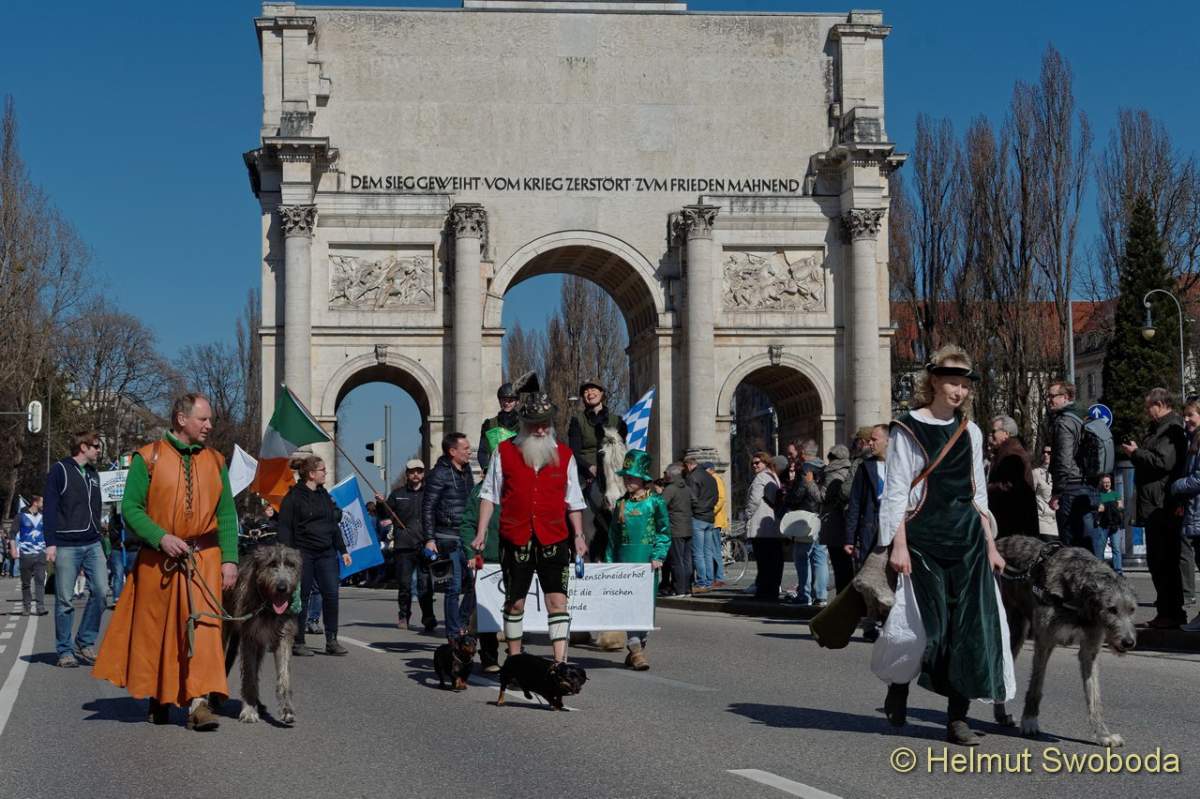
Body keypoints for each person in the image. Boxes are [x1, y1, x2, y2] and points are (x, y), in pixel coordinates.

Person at [877, 345, 1012, 746]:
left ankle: (957, 718)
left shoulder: (971, 431)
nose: (959, 391)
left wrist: (991, 545)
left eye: (964, 385)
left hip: (967, 542)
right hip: (923, 540)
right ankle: (899, 684)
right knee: (925, 629)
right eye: (952, 382)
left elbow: (977, 494)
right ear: (934, 381)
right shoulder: (907, 429)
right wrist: (898, 544)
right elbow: (897, 492)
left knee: (969, 631)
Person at [93, 394, 239, 730]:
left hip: (204, 560)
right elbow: (131, 509)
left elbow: (226, 514)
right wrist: (160, 537)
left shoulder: (216, 461)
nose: (209, 425)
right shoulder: (147, 458)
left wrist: (230, 559)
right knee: (159, 634)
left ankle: (199, 703)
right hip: (158, 562)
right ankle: (159, 696)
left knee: (203, 631)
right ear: (181, 419)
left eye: (210, 419)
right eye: (202, 419)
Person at [474, 392, 588, 663]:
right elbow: (489, 495)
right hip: (515, 536)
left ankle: (560, 663)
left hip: (554, 536)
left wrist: (579, 536)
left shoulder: (565, 455)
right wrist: (481, 532)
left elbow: (574, 500)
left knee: (557, 601)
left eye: (545, 424)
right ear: (524, 425)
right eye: (534, 424)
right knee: (515, 602)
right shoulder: (504, 452)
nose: (540, 430)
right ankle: (514, 659)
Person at [1121, 387, 1189, 629]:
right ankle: (1165, 611)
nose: (1146, 412)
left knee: (1164, 560)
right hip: (1154, 502)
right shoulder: (1159, 428)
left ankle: (1172, 613)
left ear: (1159, 405)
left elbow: (1163, 462)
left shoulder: (1172, 428)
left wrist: (1136, 453)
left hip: (1162, 503)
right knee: (1158, 561)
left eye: (1148, 407)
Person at [42, 430, 108, 669]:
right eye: (96, 446)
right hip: (66, 544)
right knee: (65, 600)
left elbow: (96, 506)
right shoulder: (59, 470)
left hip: (92, 542)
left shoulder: (93, 473)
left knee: (101, 591)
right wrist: (50, 543)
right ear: (83, 447)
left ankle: (85, 640)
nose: (99, 450)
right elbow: (50, 507)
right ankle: (65, 650)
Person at [277, 453, 351, 656]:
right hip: (303, 554)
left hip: (326, 553)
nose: (325, 473)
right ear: (311, 474)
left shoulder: (324, 495)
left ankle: (332, 640)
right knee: (302, 596)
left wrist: (343, 550)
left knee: (331, 594)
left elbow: (333, 525)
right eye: (322, 470)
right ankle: (299, 641)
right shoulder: (293, 498)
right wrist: (288, 556)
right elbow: (284, 528)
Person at [605, 450, 671, 670]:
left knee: (644, 607)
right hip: (624, 562)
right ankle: (636, 649)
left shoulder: (655, 502)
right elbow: (613, 537)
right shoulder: (620, 504)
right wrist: (609, 563)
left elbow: (663, 531)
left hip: (647, 562)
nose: (627, 481)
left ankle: (638, 646)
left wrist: (658, 555)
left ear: (642, 479)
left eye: (631, 477)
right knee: (628, 605)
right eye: (625, 477)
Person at [423, 432, 476, 640]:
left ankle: (462, 622)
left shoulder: (467, 471)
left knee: (475, 584)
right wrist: (430, 539)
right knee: (453, 586)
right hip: (446, 537)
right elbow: (428, 507)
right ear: (452, 451)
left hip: (467, 536)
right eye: (466, 448)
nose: (470, 452)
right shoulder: (438, 474)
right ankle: (453, 634)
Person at [567, 380, 628, 560]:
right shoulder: (577, 420)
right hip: (588, 474)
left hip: (613, 474)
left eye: (594, 389)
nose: (590, 393)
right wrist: (589, 468)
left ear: (602, 393)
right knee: (575, 503)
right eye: (586, 391)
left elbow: (622, 448)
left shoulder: (617, 420)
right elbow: (574, 452)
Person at [381, 458, 436, 632]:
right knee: (404, 585)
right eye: (412, 471)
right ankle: (404, 615)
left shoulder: (430, 494)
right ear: (407, 474)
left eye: (419, 471)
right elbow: (384, 514)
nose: (416, 474)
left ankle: (428, 617)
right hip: (404, 547)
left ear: (423, 474)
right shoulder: (397, 494)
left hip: (425, 545)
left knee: (425, 585)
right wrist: (380, 503)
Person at [1046, 381, 1100, 554]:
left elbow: (1064, 460)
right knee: (1087, 544)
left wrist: (1057, 492)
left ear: (1065, 397)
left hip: (1070, 488)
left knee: (1070, 547)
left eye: (1052, 396)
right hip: (1088, 486)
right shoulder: (1084, 417)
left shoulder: (1064, 422)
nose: (1049, 400)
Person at [845, 424, 888, 639]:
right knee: (869, 579)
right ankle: (870, 623)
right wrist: (850, 538)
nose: (870, 443)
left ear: (888, 441)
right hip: (870, 530)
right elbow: (855, 503)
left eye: (874, 439)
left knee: (891, 577)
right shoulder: (865, 467)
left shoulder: (902, 465)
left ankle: (888, 620)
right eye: (869, 440)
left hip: (895, 531)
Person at [460, 479, 501, 671]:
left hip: (516, 557)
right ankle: (489, 657)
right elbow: (467, 523)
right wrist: (471, 553)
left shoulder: (520, 484)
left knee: (516, 608)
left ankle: (517, 657)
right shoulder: (479, 491)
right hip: (489, 559)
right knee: (487, 610)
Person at [1170, 399, 1200, 631]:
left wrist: (1176, 485)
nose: (1186, 419)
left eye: (1191, 415)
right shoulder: (1194, 440)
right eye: (1185, 415)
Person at [985, 415, 1039, 540]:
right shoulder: (1007, 450)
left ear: (1006, 433)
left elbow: (1009, 485)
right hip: (1012, 520)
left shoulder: (1012, 453)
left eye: (994, 431)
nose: (991, 435)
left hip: (1013, 521)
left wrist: (985, 488)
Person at [744, 451, 783, 602]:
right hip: (773, 525)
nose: (754, 465)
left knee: (764, 561)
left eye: (757, 462)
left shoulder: (760, 477)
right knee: (773, 561)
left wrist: (747, 514)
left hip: (761, 526)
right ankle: (772, 591)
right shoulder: (774, 477)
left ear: (765, 463)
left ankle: (764, 592)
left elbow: (754, 500)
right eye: (753, 463)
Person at [819, 444, 852, 595]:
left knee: (839, 566)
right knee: (846, 566)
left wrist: (810, 484)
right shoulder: (849, 471)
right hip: (846, 523)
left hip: (833, 522)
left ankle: (842, 599)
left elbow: (822, 497)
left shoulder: (832, 474)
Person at [683, 455, 719, 594]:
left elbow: (691, 498)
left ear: (688, 465)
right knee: (707, 552)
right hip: (709, 517)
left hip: (698, 517)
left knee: (698, 553)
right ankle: (709, 581)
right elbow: (716, 498)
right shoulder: (711, 477)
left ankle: (702, 583)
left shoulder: (692, 477)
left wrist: (695, 511)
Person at [660, 462, 693, 597]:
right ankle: (687, 588)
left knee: (676, 561)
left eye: (666, 473)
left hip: (675, 529)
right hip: (688, 527)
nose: (665, 475)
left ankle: (679, 589)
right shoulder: (687, 488)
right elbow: (695, 502)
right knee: (686, 560)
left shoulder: (670, 489)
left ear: (671, 475)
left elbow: (660, 505)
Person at [15, 495, 48, 615]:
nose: (43, 504)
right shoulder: (21, 516)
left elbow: (49, 534)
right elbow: (12, 533)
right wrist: (13, 549)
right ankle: (27, 607)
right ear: (35, 503)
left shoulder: (44, 517)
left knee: (40, 581)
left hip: (40, 553)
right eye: (42, 502)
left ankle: (40, 607)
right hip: (25, 554)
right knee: (26, 583)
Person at [478, 383, 520, 472]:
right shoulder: (489, 424)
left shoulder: (524, 424)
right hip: (495, 472)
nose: (507, 403)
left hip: (518, 472)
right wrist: (486, 469)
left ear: (517, 402)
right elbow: (482, 451)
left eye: (510, 400)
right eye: (504, 399)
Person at [1095, 474, 1124, 575]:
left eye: (1108, 482)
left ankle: (1118, 571)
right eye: (1105, 483)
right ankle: (1100, 571)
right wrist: (1112, 505)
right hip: (1103, 525)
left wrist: (1107, 506)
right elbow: (1098, 509)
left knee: (1116, 548)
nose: (1107, 484)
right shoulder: (1098, 495)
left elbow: (1120, 507)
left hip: (1115, 525)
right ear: (1101, 484)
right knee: (1100, 550)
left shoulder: (1116, 494)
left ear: (1111, 483)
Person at [706, 462, 729, 588]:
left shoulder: (716, 479)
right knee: (712, 549)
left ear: (710, 470)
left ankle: (719, 577)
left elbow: (721, 498)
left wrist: (711, 511)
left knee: (715, 550)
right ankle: (716, 576)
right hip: (712, 519)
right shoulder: (713, 479)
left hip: (715, 520)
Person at [1031, 446, 1057, 539]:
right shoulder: (1036, 473)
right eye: (1044, 452)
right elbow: (1030, 497)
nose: (1046, 454)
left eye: (1049, 453)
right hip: (1043, 521)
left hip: (1058, 522)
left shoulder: (1060, 474)